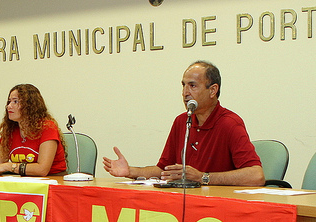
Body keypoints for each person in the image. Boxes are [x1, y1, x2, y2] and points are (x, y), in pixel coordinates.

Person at [103, 61, 264, 186]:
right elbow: (163, 170)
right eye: (183, 85)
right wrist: (130, 171)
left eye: (192, 86)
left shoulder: (230, 123)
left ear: (213, 90)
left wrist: (203, 177)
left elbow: (256, 176)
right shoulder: (182, 121)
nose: (185, 93)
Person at [0, 84, 66, 177]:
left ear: (30, 106)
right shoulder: (10, 130)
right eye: (9, 102)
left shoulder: (47, 127)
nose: (9, 106)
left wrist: (9, 166)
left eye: (15, 102)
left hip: (53, 179)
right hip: (24, 179)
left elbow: (42, 169)